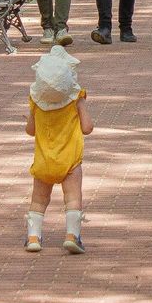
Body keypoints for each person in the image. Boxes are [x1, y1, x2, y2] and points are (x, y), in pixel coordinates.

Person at [25, 45, 95, 254]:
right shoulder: (76, 99)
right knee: (73, 198)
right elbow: (87, 128)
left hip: (44, 160)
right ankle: (72, 235)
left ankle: (33, 237)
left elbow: (30, 130)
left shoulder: (36, 102)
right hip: (70, 161)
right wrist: (81, 105)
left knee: (38, 200)